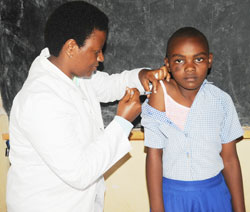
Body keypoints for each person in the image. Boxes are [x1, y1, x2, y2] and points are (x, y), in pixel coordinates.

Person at [6, 1, 169, 212]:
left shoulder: (72, 75)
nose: (101, 58)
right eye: (97, 51)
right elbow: (80, 172)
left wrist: (142, 77)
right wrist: (122, 122)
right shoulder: (40, 100)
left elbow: (111, 84)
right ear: (71, 48)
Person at [141, 27, 246, 212]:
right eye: (179, 60)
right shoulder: (159, 94)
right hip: (172, 196)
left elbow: (230, 159)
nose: (190, 67)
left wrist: (240, 209)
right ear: (167, 64)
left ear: (209, 60)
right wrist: (157, 208)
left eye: (198, 59)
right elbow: (154, 156)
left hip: (214, 196)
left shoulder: (221, 100)